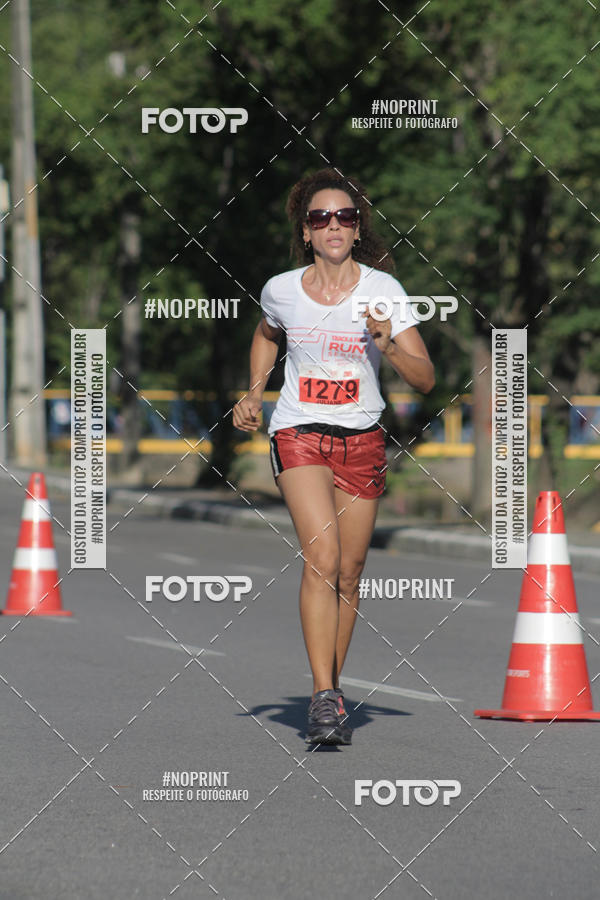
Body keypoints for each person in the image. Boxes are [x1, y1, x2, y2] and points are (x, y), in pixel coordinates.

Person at [233, 168, 434, 746]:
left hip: (363, 438)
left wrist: (387, 340)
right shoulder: (282, 289)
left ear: (356, 226)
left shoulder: (383, 292)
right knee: (321, 557)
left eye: (345, 216)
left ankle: (332, 691)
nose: (334, 226)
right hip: (299, 432)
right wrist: (254, 390)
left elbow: (425, 379)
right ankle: (323, 694)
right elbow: (267, 333)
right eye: (321, 218)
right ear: (306, 232)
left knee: (349, 570)